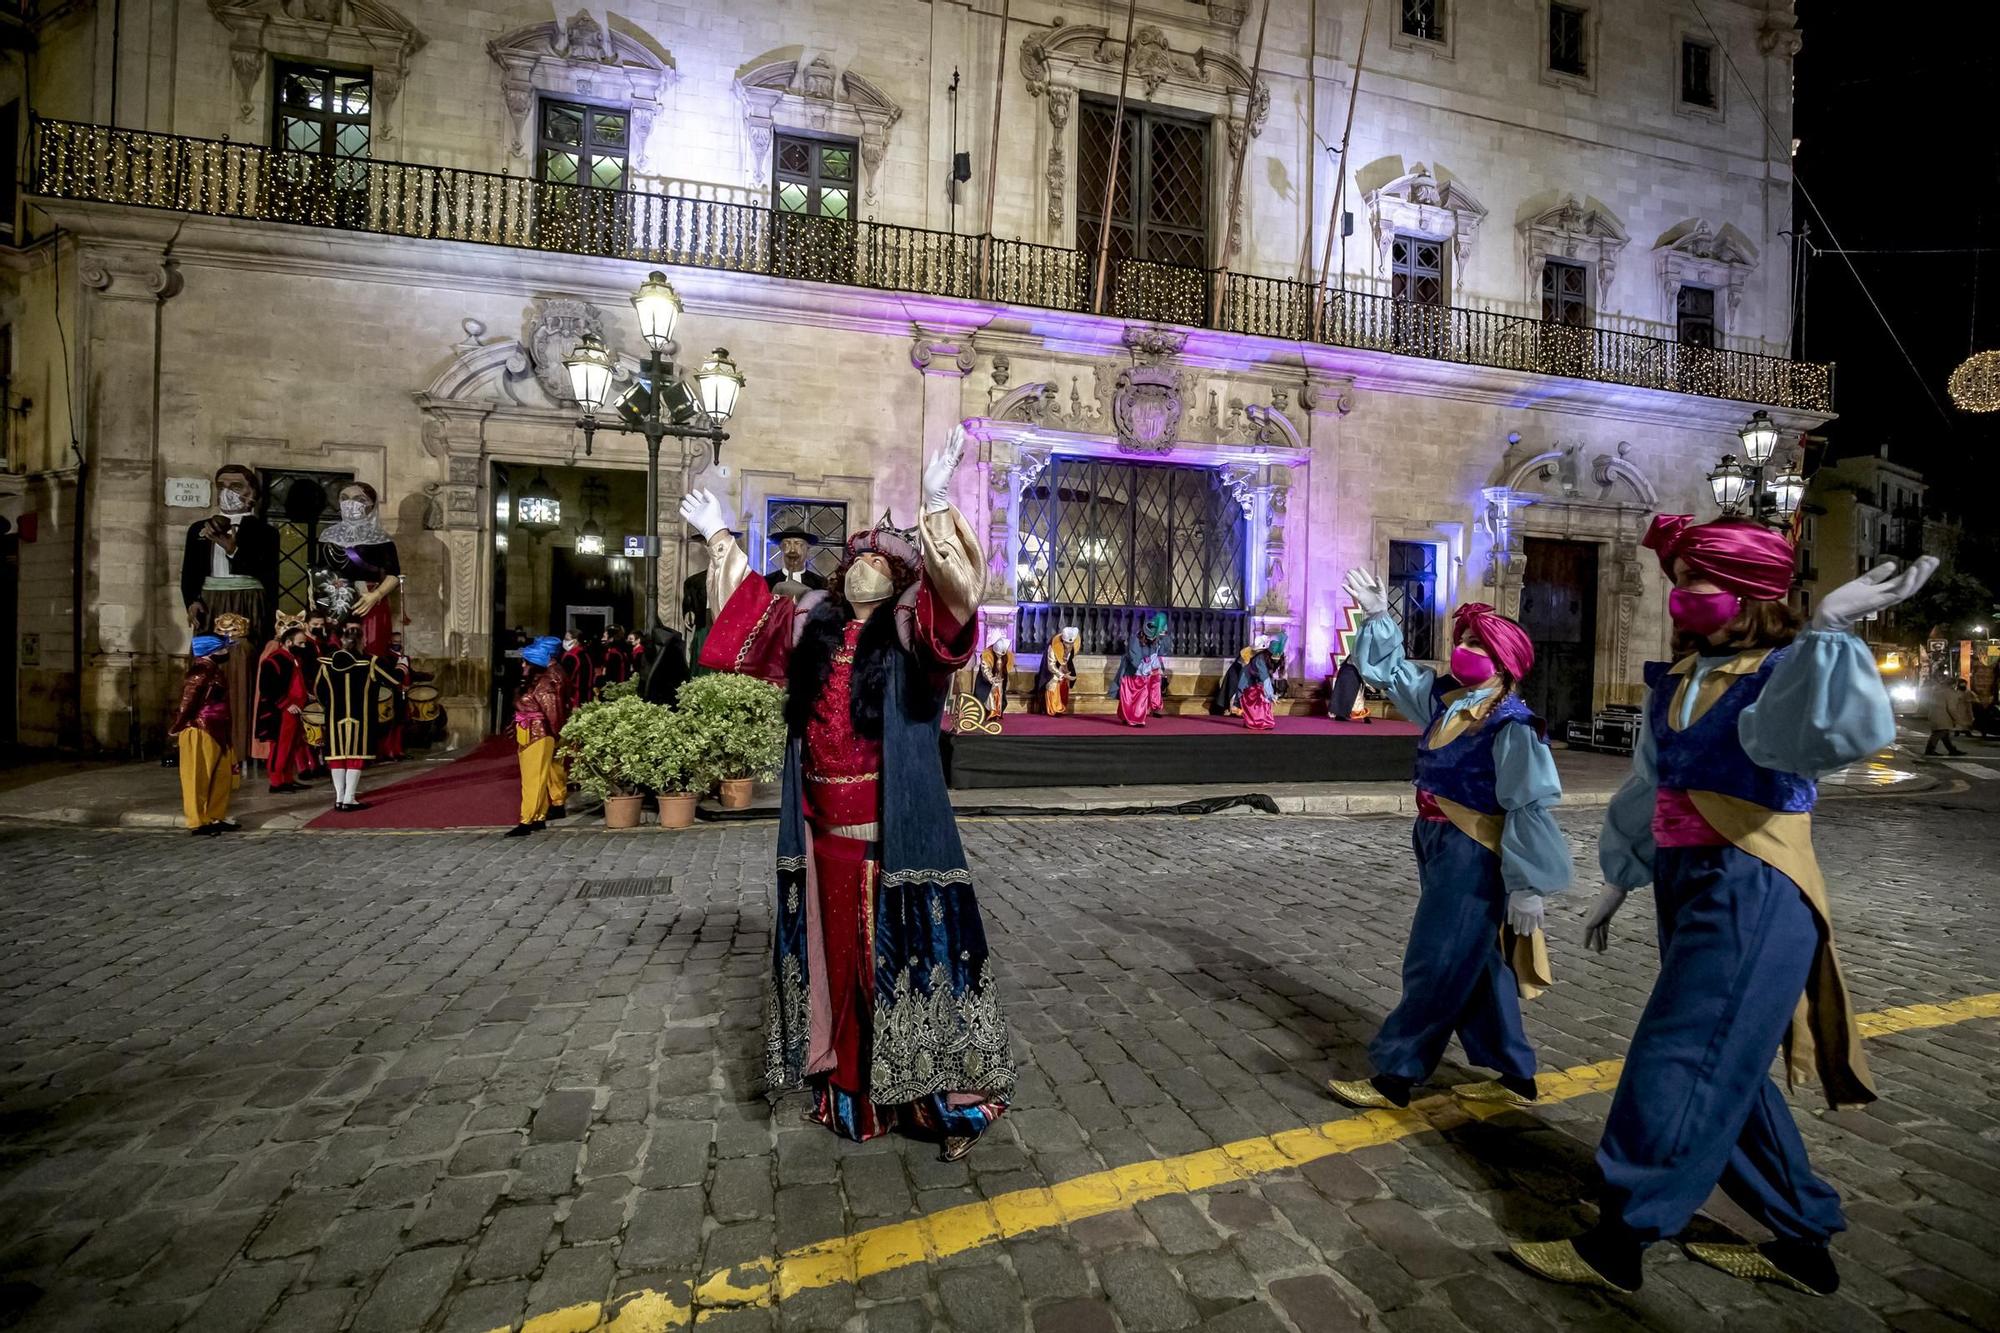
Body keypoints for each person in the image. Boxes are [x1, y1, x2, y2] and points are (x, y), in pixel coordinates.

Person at [1511, 519, 1937, 1299]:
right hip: (1691, 882)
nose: (1679, 596)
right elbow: (1653, 785)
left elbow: (1812, 738)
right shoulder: (1677, 679)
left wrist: (1830, 632)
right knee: (1726, 1065)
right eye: (1676, 580)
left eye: (1694, 581)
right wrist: (1622, 874)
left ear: (1747, 594)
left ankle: (1621, 1235)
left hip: (1755, 883)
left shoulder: (1783, 671)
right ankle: (1805, 1237)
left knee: (1680, 1056)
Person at [680, 428, 1014, 1160]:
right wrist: (720, 535)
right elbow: (751, 625)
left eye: (883, 560)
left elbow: (956, 607)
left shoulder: (910, 639)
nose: (867, 564)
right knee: (842, 969)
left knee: (908, 965)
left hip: (893, 839)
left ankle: (937, 1101)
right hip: (824, 839)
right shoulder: (812, 631)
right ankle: (854, 1095)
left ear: (901, 579)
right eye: (857, 556)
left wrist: (935, 504)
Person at [1326, 576, 1570, 1112]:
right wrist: (1375, 616)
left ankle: (1396, 1074)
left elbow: (1529, 806)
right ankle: (1515, 1074)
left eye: (1479, 644)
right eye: (1463, 640)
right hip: (1434, 839)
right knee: (1477, 959)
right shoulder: (1448, 702)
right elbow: (1388, 673)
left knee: (1436, 960)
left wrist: (1529, 888)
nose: (1464, 650)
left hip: (1473, 851)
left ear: (1504, 660)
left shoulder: (1513, 726)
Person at [180, 465, 281, 766]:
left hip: (247, 599)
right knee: (206, 665)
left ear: (252, 493)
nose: (228, 492)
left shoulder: (265, 532)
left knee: (242, 660)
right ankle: (200, 738)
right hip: (210, 601)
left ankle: (243, 743)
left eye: (236, 486)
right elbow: (189, 572)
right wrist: (192, 601)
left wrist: (233, 550)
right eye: (221, 485)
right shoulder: (198, 529)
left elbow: (267, 572)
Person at [315, 621, 399, 812]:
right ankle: (349, 798)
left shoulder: (327, 662)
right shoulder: (370, 662)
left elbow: (318, 690)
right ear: (363, 640)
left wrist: (328, 707)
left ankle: (338, 798)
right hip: (361, 717)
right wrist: (402, 666)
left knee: (336, 756)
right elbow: (395, 680)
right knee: (356, 755)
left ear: (343, 640)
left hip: (334, 716)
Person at [315, 481, 400, 656]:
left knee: (371, 647)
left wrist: (376, 595)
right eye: (344, 498)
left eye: (358, 499)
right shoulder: (327, 536)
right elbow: (319, 572)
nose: (350, 503)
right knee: (335, 648)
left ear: (371, 504)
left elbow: (394, 575)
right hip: (336, 598)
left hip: (368, 599)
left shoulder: (381, 538)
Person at [169, 635, 238, 836]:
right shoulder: (198, 672)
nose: (227, 653)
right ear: (212, 651)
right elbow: (187, 702)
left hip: (219, 728)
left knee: (221, 776)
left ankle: (215, 816)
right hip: (201, 728)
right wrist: (178, 726)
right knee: (197, 776)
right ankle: (198, 820)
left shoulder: (215, 671)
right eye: (224, 649)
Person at [508, 636, 571, 837]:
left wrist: (558, 733)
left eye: (526, 660)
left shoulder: (546, 681)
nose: (522, 664)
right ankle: (538, 816)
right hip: (534, 731)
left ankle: (527, 819)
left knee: (533, 777)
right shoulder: (545, 677)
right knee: (537, 775)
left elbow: (553, 711)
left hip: (538, 732)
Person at [254, 613, 315, 794]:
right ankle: (276, 782)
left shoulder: (294, 659)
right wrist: (286, 703)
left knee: (291, 747)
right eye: (301, 643)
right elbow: (268, 688)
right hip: (281, 713)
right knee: (280, 747)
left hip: (296, 710)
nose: (304, 646)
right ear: (289, 642)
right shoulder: (273, 661)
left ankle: (287, 779)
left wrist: (307, 695)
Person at [1114, 613, 1170, 727]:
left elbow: (1156, 655)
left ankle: (1138, 718)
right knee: (1129, 698)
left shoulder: (1154, 642)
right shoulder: (1134, 641)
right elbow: (1135, 660)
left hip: (1143, 675)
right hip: (1132, 674)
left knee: (1142, 695)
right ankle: (1128, 717)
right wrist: (1147, 669)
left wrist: (1155, 669)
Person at [641, 623, 691, 707]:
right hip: (673, 691)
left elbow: (645, 671)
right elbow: (683, 672)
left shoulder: (652, 647)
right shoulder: (676, 648)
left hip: (655, 691)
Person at [766, 527, 828, 593]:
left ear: (807, 549)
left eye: (798, 544)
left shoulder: (820, 584)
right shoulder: (766, 582)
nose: (792, 550)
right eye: (787, 544)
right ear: (781, 548)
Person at [1036, 626, 1080, 715]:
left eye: (1071, 644)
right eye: (1067, 643)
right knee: (1053, 684)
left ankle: (1061, 707)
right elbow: (1050, 665)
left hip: (1063, 670)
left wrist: (1067, 674)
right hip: (1052, 672)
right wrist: (1062, 675)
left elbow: (1068, 661)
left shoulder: (1073, 647)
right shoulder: (1053, 647)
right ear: (1063, 641)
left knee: (1065, 685)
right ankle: (1052, 709)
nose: (1069, 646)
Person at [1240, 635, 1278, 731]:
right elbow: (1264, 677)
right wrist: (1270, 695)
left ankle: (1260, 721)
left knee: (1261, 693)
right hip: (1251, 688)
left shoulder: (1259, 658)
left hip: (1252, 686)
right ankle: (1260, 722)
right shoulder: (1259, 659)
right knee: (1260, 697)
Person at [1924, 676, 1969, 756]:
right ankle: (1930, 750)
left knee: (1944, 735)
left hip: (1934, 715)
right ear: (1954, 685)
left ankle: (1952, 750)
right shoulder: (1950, 693)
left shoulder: (1938, 691)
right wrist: (1959, 720)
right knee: (1940, 733)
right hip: (1943, 716)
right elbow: (1951, 708)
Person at [973, 636, 1014, 718]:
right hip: (987, 681)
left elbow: (1006, 668)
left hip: (1000, 680)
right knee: (988, 695)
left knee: (999, 694)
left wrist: (1000, 678)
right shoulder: (987, 654)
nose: (999, 656)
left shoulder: (1007, 655)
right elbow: (985, 669)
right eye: (998, 654)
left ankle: (997, 712)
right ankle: (989, 711)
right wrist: (991, 679)